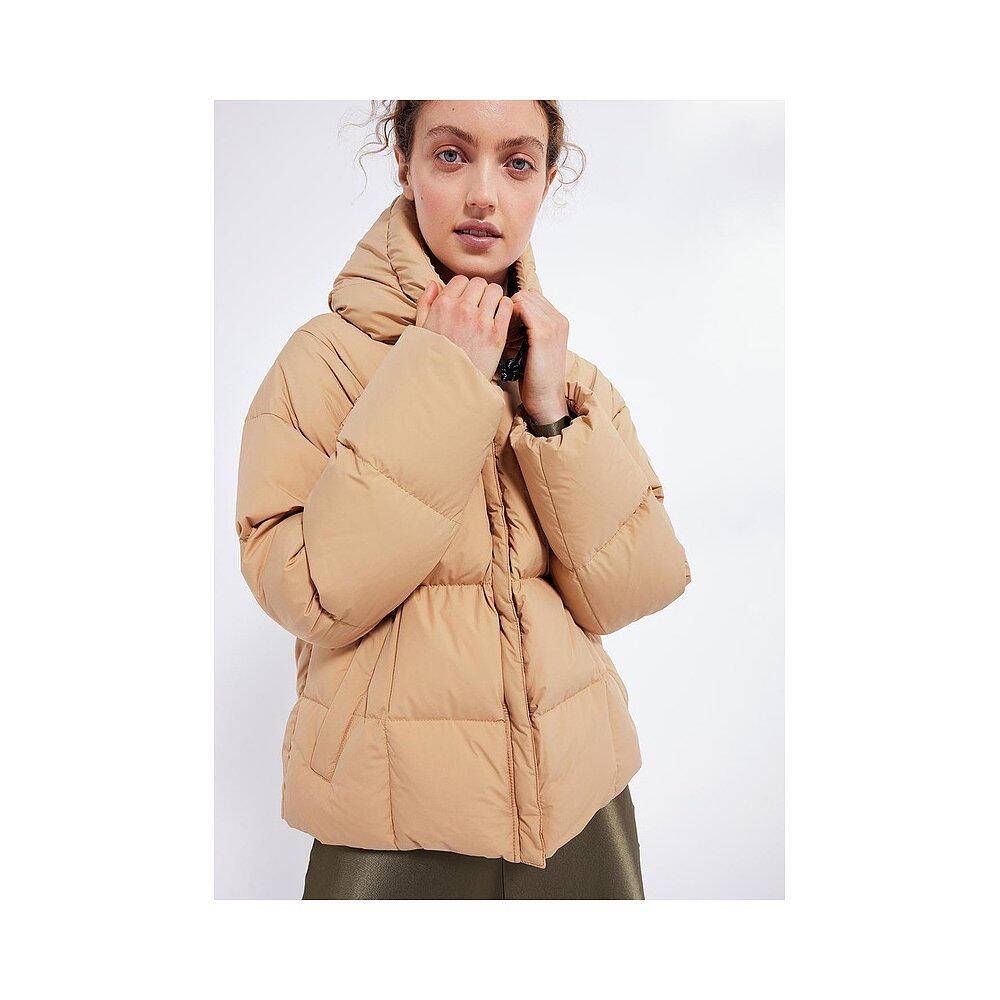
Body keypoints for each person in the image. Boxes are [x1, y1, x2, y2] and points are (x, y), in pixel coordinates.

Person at [235, 100, 691, 899]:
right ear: (405, 165)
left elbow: (635, 589)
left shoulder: (571, 379)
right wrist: (441, 379)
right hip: (390, 813)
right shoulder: (322, 361)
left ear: (546, 182)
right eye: (451, 156)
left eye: (517, 163)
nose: (484, 193)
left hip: (579, 800)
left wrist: (550, 416)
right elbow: (308, 594)